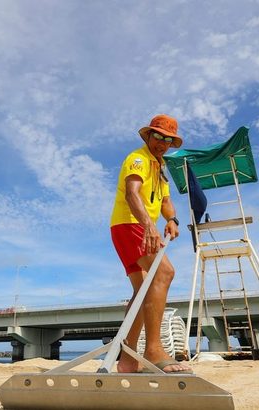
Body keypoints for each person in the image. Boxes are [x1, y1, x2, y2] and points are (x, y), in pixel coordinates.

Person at [110, 114, 192, 374]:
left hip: (135, 226)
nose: (163, 142)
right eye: (158, 136)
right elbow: (132, 194)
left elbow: (166, 201)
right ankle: (154, 350)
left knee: (142, 289)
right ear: (148, 136)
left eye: (168, 139)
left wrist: (172, 219)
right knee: (165, 272)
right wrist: (148, 225)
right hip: (130, 224)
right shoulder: (138, 159)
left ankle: (127, 359)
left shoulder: (160, 167)